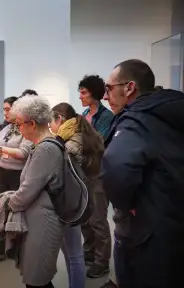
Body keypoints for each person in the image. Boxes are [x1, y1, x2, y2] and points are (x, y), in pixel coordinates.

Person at [101, 59, 184, 288]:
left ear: (129, 88)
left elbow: (116, 166)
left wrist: (125, 203)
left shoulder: (136, 119)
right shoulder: (168, 110)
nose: (105, 96)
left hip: (147, 231)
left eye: (108, 88)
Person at [6, 95, 64, 288]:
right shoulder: (43, 146)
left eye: (19, 124)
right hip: (39, 220)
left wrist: (8, 203)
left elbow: (27, 191)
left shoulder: (45, 150)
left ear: (31, 124)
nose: (18, 129)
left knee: (37, 281)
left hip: (43, 223)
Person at [50, 103, 104, 288]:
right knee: (72, 253)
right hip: (80, 199)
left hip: (71, 202)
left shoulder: (71, 143)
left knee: (73, 254)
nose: (50, 127)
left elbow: (60, 172)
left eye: (52, 121)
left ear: (60, 119)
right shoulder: (83, 136)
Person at [0, 96, 32, 264]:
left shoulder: (26, 128)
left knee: (17, 213)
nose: (5, 112)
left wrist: (1, 149)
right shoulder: (5, 129)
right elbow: (3, 151)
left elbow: (23, 153)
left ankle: (18, 251)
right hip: (3, 172)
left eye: (8, 109)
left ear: (18, 110)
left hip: (19, 174)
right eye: (4, 109)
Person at [78, 75, 113, 277]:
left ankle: (102, 261)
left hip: (98, 174)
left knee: (98, 219)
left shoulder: (107, 117)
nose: (81, 96)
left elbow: (97, 144)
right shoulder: (84, 114)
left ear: (94, 93)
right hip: (84, 173)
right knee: (85, 218)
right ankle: (89, 253)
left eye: (84, 92)